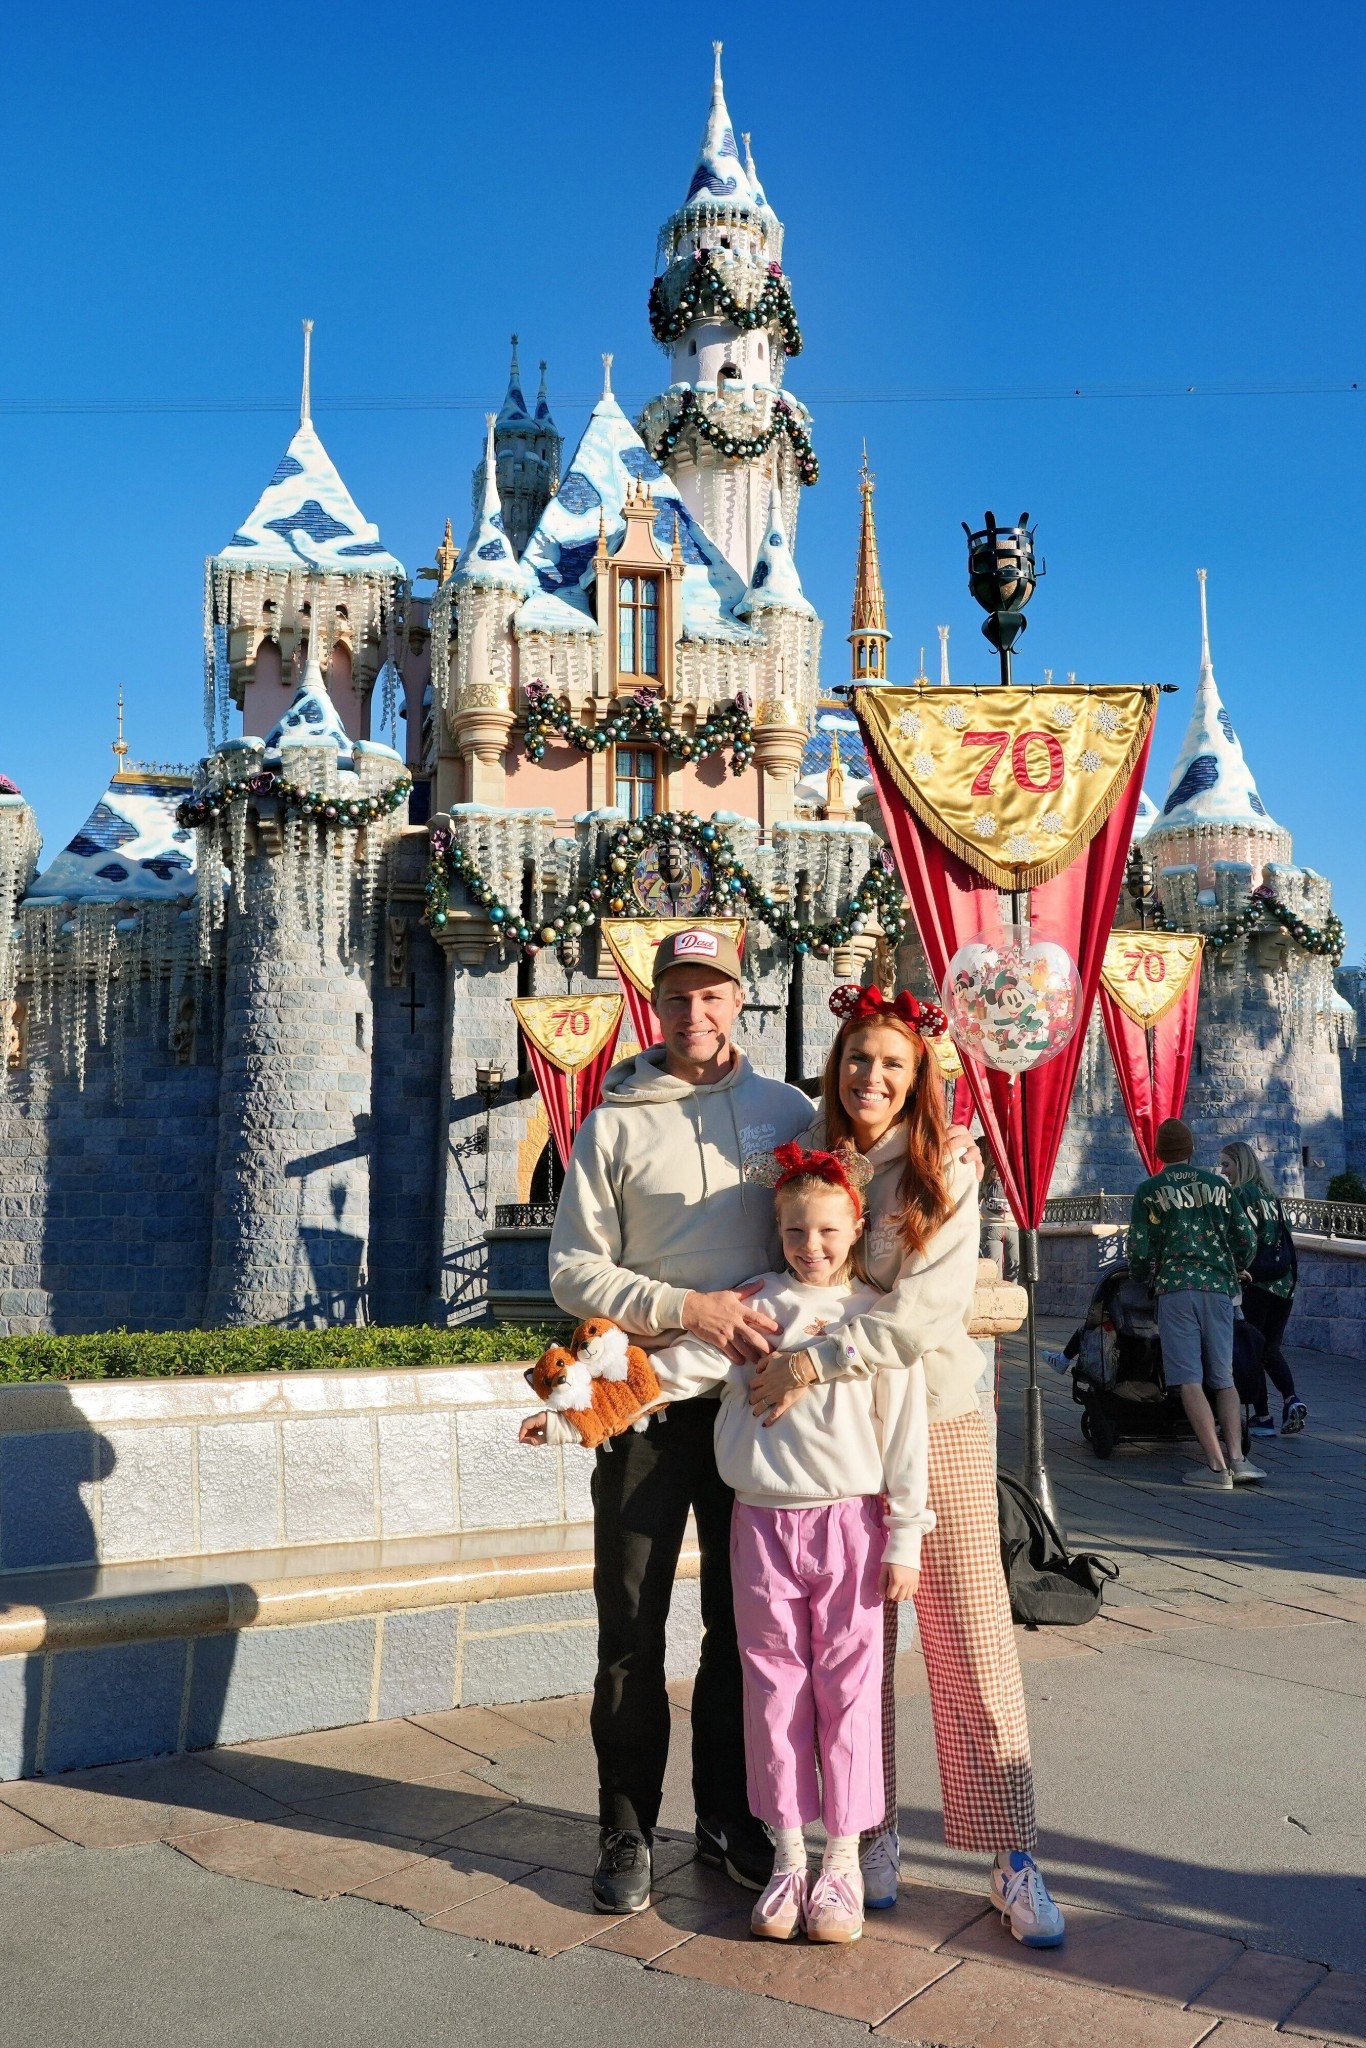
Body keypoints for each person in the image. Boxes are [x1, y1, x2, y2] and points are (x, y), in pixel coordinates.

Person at [530, 1140, 935, 1945]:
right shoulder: (754, 1304)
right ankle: (789, 1860)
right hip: (759, 1522)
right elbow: (671, 1375)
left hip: (849, 1523)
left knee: (847, 1691)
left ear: (854, 1228)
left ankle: (843, 1863)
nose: (810, 1247)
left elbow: (905, 1437)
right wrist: (573, 1414)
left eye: (825, 1231)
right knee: (774, 1687)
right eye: (794, 1231)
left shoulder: (872, 1320)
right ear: (777, 1231)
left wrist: (904, 1538)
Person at [747, 984, 1067, 1950]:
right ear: (834, 1067)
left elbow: (926, 1314)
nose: (872, 1077)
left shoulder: (946, 1168)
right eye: (857, 1058)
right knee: (856, 1648)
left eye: (893, 1063)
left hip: (937, 1417)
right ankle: (868, 1834)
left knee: (970, 1626)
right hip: (839, 1436)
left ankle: (1011, 1854)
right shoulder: (811, 1166)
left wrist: (813, 1358)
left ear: (920, 1074)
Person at [537, 927, 815, 1914]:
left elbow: (833, 1221)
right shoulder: (613, 1122)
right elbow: (571, 1267)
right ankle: (624, 1825)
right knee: (631, 1630)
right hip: (646, 1407)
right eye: (679, 995)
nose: (697, 1012)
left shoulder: (787, 1111)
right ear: (655, 1003)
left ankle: (730, 1819)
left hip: (754, 1413)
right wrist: (683, 1306)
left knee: (742, 1632)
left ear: (742, 997)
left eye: (714, 993)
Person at [1127, 1118, 1265, 1490]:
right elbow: (1246, 1239)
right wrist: (1233, 1266)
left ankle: (1216, 1468)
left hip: (1175, 1290)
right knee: (1223, 1376)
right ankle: (1238, 1458)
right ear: (1191, 1150)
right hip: (1218, 1288)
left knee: (1188, 1377)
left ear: (1159, 1153)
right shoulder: (1219, 1185)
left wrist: (1144, 1274)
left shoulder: (1149, 1190)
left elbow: (1139, 1248)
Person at [1219, 1141, 1307, 1435]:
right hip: (1283, 1285)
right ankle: (1291, 1399)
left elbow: (1237, 1238)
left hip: (1254, 1282)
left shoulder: (1240, 1195)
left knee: (1249, 1349)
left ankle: (1263, 1416)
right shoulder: (1271, 1196)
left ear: (1239, 1164)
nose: (1223, 1171)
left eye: (1226, 1165)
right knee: (1270, 1348)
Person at [979, 1155, 1020, 1282]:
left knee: (993, 1268)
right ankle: (1013, 1297)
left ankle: (996, 1298)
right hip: (1012, 1227)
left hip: (990, 1227)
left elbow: (977, 1199)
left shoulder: (986, 1174)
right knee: (1014, 1268)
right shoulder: (1016, 1176)